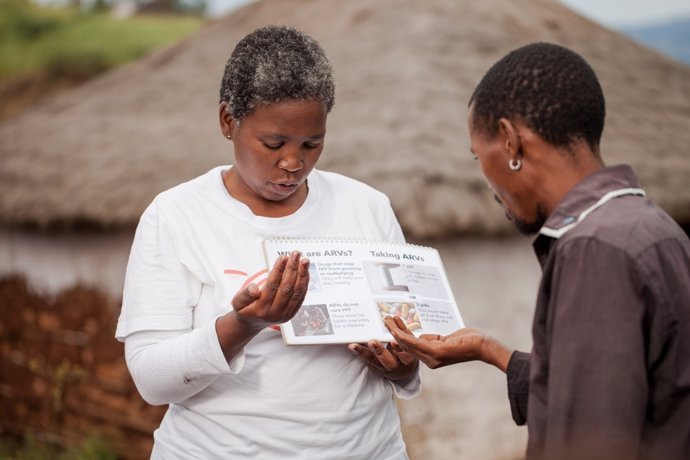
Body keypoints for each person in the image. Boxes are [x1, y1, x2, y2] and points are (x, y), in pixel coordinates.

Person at [116, 25, 418, 459]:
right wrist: (244, 324)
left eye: (312, 144)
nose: (294, 163)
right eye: (273, 143)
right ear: (228, 121)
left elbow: (407, 353)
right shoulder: (177, 216)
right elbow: (151, 380)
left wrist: (403, 365)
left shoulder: (366, 207)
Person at [385, 42, 690, 460]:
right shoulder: (650, 225)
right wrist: (488, 350)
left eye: (479, 155)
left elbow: (587, 437)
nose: (487, 184)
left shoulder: (593, 250)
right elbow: (611, 387)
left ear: (510, 143)